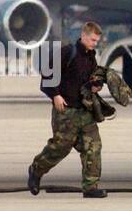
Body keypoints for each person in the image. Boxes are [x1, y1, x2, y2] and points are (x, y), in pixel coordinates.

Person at [28, 21, 107, 198]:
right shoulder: (67, 52)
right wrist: (55, 95)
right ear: (84, 35)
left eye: (97, 41)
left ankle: (90, 187)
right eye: (93, 40)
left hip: (85, 112)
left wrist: (96, 86)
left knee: (92, 147)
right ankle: (36, 169)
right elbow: (47, 74)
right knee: (60, 147)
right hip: (66, 110)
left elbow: (90, 79)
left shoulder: (90, 56)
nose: (95, 43)